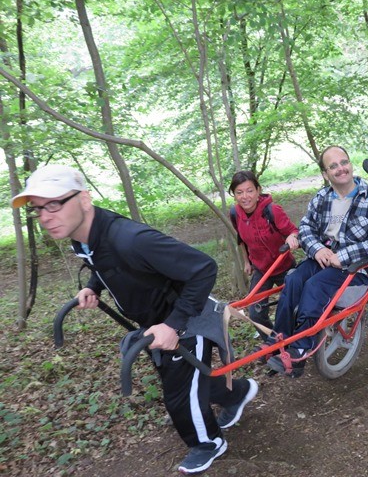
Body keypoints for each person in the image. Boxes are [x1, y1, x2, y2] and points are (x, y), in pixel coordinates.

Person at [10, 165, 259, 475]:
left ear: (84, 199)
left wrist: (173, 324)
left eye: (54, 204)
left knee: (178, 392)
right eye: (38, 210)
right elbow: (103, 264)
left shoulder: (129, 238)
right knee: (182, 379)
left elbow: (203, 268)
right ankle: (237, 393)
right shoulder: (83, 237)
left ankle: (208, 443)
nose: (46, 216)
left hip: (186, 317)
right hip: (153, 322)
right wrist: (92, 286)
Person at [265, 145, 368, 377]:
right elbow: (305, 228)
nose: (341, 169)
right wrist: (318, 249)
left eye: (344, 162)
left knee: (314, 287)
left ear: (350, 164)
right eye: (333, 166)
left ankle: (301, 348)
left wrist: (340, 256)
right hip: (324, 258)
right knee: (293, 280)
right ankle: (279, 339)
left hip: (356, 266)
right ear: (325, 174)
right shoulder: (322, 198)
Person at [228, 171, 299, 342]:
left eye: (250, 190)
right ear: (234, 194)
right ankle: (274, 343)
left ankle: (296, 341)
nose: (245, 196)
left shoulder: (272, 210)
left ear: (258, 190)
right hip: (261, 268)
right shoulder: (235, 213)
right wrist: (247, 262)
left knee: (293, 308)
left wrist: (292, 237)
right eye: (239, 192)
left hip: (284, 266)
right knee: (255, 313)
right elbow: (241, 239)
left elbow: (294, 232)